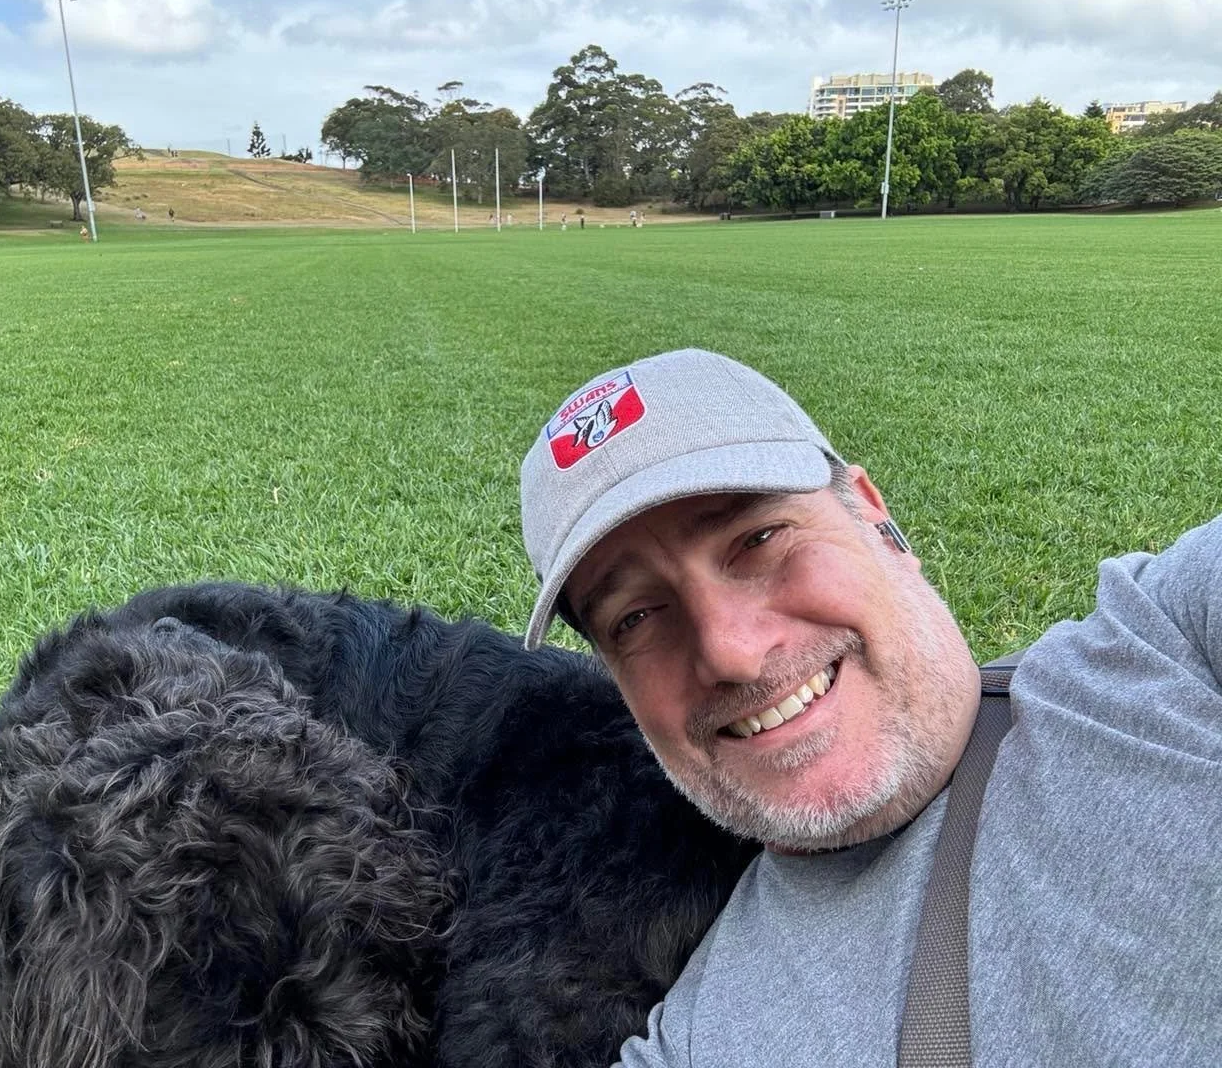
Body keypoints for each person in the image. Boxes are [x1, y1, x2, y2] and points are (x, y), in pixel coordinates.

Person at [518, 348, 1222, 1067]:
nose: (730, 651)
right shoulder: (693, 1043)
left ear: (878, 521)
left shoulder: (1174, 640)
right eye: (636, 618)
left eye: (758, 539)